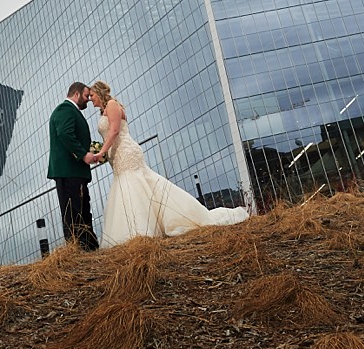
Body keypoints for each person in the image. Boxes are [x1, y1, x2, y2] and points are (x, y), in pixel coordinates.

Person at [89, 80, 249, 248]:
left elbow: (114, 130)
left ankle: (141, 230)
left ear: (99, 93)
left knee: (133, 187)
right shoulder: (103, 112)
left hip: (127, 152)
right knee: (131, 189)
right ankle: (134, 230)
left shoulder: (113, 104)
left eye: (92, 95)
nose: (91, 99)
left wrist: (101, 152)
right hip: (117, 156)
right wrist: (106, 153)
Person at [47, 82, 100, 251]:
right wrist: (83, 155)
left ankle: (89, 247)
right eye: (86, 96)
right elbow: (65, 133)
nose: (88, 100)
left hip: (75, 171)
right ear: (76, 94)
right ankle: (80, 250)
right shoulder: (65, 110)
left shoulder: (71, 111)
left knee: (83, 210)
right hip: (69, 172)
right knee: (74, 213)